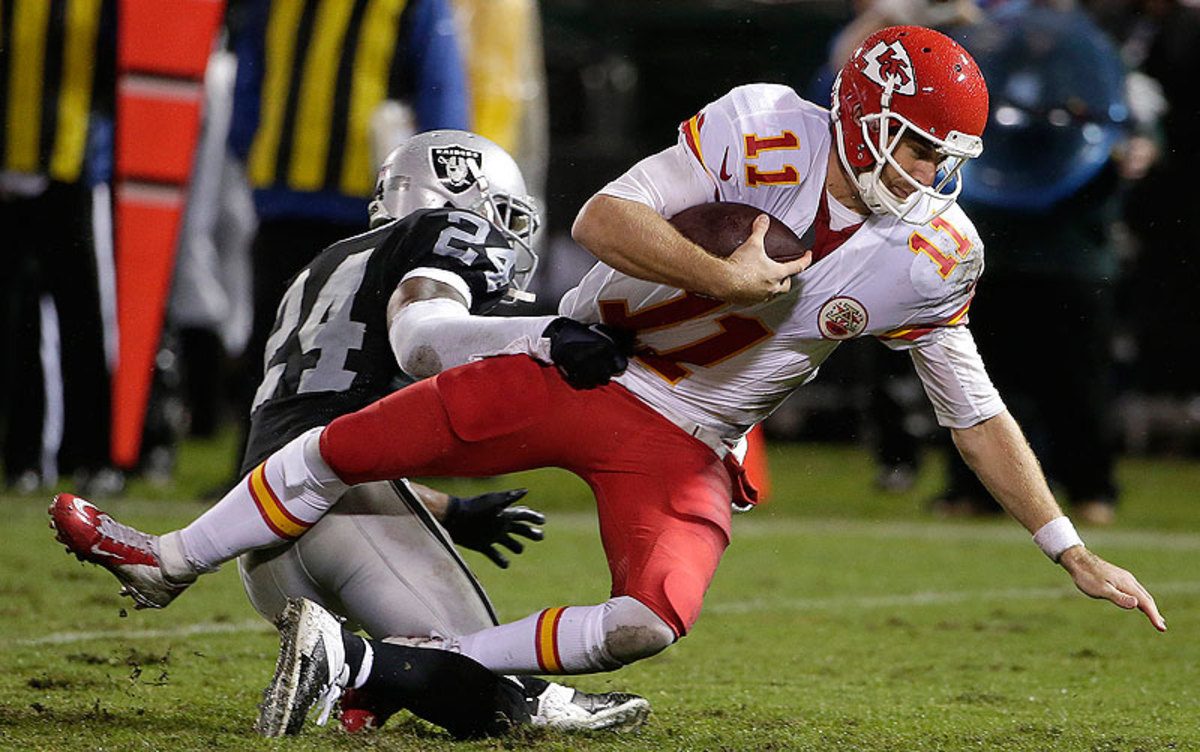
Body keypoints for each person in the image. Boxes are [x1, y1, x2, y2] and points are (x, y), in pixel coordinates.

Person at [53, 26, 1166, 731]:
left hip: (690, 432)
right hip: (590, 363)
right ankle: (165, 558)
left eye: (949, 160)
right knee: (360, 438)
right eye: (927, 151)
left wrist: (1064, 544)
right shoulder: (759, 126)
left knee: (652, 618)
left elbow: (972, 407)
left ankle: (372, 664)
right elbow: (603, 216)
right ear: (869, 117)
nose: (939, 179)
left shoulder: (937, 251)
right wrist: (724, 278)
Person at [52, 129, 645, 734]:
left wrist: (451, 511)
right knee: (484, 681)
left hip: (262, 528)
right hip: (347, 510)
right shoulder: (449, 231)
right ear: (463, 190)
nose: (505, 232)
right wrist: (555, 333)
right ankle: (358, 666)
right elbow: (424, 337)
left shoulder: (324, 264)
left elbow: (314, 417)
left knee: (446, 664)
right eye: (504, 213)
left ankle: (368, 691)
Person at [1, 0, 121, 496]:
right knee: (17, 321)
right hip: (12, 167)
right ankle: (23, 457)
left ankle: (92, 455)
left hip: (71, 166)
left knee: (84, 319)